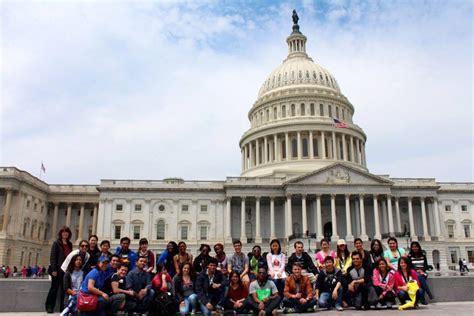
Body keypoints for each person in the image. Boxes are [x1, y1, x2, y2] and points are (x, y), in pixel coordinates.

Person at [45, 226, 73, 313]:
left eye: (67, 232)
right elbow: (53, 257)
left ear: (69, 234)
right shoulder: (56, 243)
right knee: (54, 288)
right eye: (63, 232)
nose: (65, 233)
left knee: (64, 290)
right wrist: (54, 269)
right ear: (61, 233)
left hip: (66, 270)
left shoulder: (70, 244)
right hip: (57, 269)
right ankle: (49, 306)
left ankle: (63, 307)